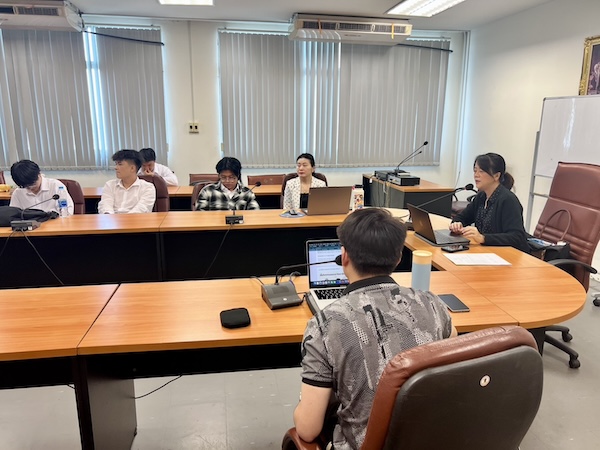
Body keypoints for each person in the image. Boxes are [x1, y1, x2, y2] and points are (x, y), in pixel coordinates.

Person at [294, 208, 456, 448]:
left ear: (344, 257)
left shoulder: (325, 324)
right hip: (432, 439)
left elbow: (308, 430)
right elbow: (452, 357)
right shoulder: (433, 304)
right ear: (398, 258)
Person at [449, 153, 529, 252]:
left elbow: (517, 237)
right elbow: (462, 217)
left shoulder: (508, 200)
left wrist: (483, 238)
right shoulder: (481, 197)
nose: (476, 175)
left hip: (510, 255)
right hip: (488, 252)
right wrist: (457, 224)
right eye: (475, 170)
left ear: (496, 176)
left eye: (481, 171)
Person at [98, 150, 156, 214]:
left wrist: (125, 219)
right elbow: (105, 205)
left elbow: (142, 209)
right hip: (112, 218)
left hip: (135, 219)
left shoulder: (148, 187)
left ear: (132, 168)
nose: (116, 168)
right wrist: (110, 217)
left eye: (120, 164)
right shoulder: (110, 185)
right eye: (116, 164)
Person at [9, 159, 74, 216]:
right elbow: (13, 215)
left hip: (55, 224)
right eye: (27, 187)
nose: (31, 188)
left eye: (33, 184)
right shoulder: (18, 192)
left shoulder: (56, 186)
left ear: (39, 174)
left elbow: (68, 211)